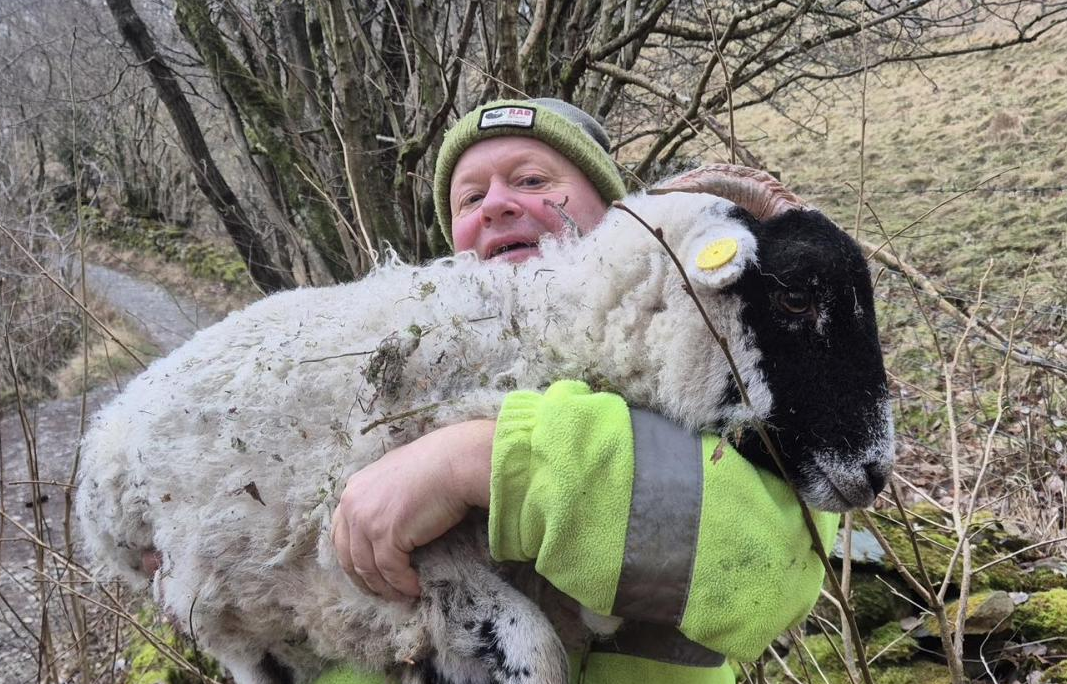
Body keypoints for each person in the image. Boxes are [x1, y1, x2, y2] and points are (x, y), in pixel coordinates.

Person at [325, 98, 840, 684]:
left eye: (531, 180)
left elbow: (769, 575)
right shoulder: (386, 375)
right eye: (470, 198)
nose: (495, 203)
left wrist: (478, 461)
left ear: (620, 215)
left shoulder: (711, 344)